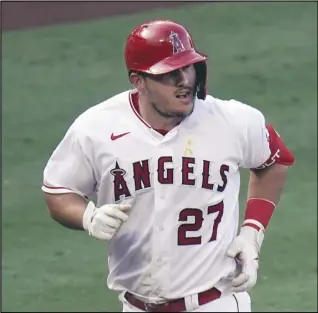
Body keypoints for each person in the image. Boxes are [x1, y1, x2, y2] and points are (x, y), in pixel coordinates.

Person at [41, 20, 295, 312]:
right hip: (136, 305)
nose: (184, 81)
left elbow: (276, 161)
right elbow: (58, 191)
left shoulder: (232, 121)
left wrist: (252, 233)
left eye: (188, 67)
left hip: (216, 303)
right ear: (139, 81)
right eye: (169, 74)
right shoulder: (96, 129)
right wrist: (88, 217)